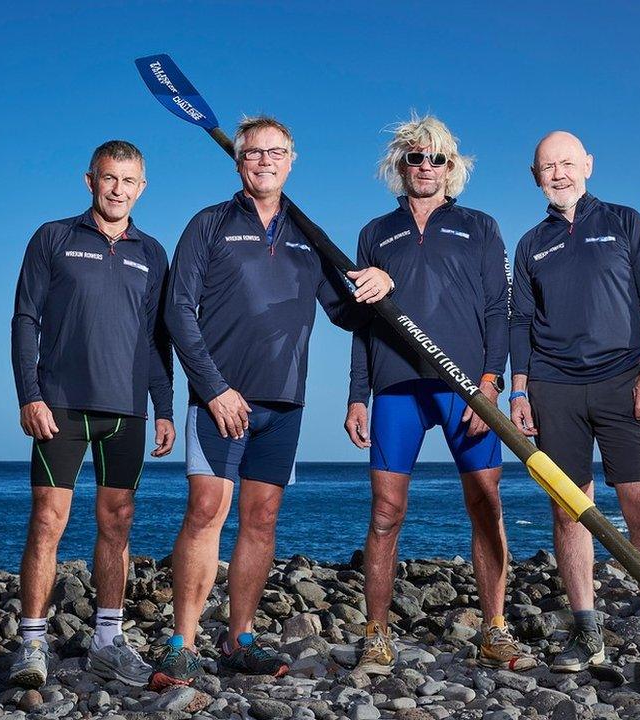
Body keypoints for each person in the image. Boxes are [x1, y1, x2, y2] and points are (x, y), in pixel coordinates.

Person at [150, 116, 394, 690]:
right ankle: (181, 644)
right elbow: (178, 313)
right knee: (207, 511)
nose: (264, 160)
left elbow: (347, 313)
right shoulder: (208, 224)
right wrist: (213, 387)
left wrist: (382, 282)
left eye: (275, 152)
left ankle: (239, 640)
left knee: (261, 521)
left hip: (285, 402)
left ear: (291, 160)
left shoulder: (307, 236)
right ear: (238, 161)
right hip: (220, 400)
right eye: (253, 152)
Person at [343, 113, 532, 676]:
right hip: (396, 386)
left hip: (465, 388)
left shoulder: (479, 226)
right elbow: (363, 321)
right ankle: (376, 635)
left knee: (486, 505)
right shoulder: (376, 233)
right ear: (399, 166)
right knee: (385, 512)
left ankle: (494, 630)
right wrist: (358, 396)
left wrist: (491, 384)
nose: (426, 167)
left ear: (453, 168)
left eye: (437, 159)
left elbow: (500, 310)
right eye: (415, 158)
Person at [508, 131, 640, 698]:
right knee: (569, 511)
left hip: (623, 382)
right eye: (547, 166)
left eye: (567, 163)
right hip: (553, 387)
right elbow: (518, 321)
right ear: (535, 175)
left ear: (587, 164)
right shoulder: (530, 243)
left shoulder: (625, 221)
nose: (558, 173)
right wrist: (519, 391)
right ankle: (587, 633)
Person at [8, 140, 175, 688]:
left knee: (118, 525)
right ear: (90, 181)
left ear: (142, 187)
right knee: (48, 522)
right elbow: (25, 318)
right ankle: (31, 642)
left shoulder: (151, 253)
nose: (117, 190)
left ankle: (108, 641)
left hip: (125, 410)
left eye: (128, 181)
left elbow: (157, 339)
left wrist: (165, 407)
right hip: (59, 405)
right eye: (108, 179)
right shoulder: (53, 237)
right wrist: (28, 394)